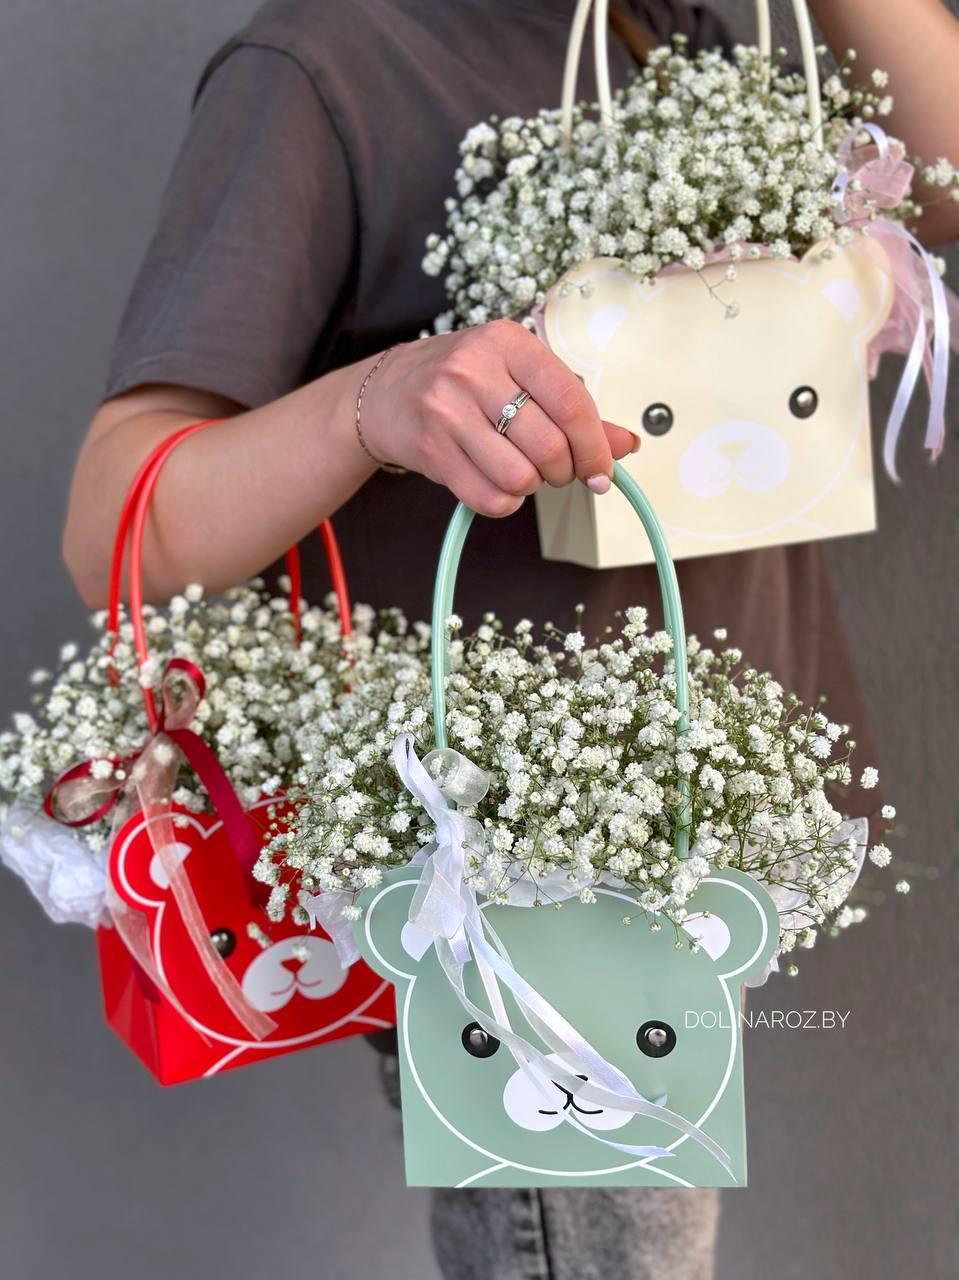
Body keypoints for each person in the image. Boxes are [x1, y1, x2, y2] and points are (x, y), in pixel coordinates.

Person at [61, 2, 959, 1277]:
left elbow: (943, 177)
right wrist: (375, 404)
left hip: (700, 841)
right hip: (527, 898)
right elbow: (115, 518)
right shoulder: (332, 62)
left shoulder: (716, 24)